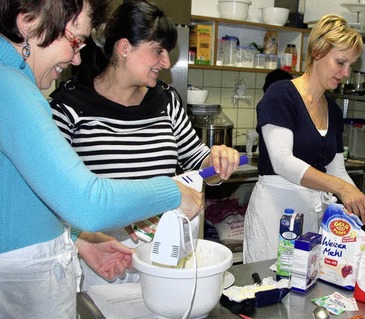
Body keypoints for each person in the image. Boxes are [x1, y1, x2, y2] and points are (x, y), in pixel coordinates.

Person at [0, 0, 214, 317]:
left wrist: (79, 240)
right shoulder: (10, 88)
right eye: (75, 41)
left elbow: (23, 199)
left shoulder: (15, 84)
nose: (77, 57)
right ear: (29, 22)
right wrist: (172, 192)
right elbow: (88, 201)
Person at [49, 0, 240, 290]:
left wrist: (218, 160)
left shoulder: (165, 101)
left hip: (163, 256)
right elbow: (52, 193)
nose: (165, 62)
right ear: (124, 47)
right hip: (102, 257)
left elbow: (197, 162)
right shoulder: (70, 106)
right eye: (158, 51)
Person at [243, 14, 365, 263]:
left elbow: (337, 170)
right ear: (317, 51)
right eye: (341, 62)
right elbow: (283, 162)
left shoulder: (333, 110)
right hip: (275, 215)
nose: (346, 73)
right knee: (269, 288)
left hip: (311, 218)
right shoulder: (281, 95)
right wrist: (341, 188)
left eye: (351, 65)